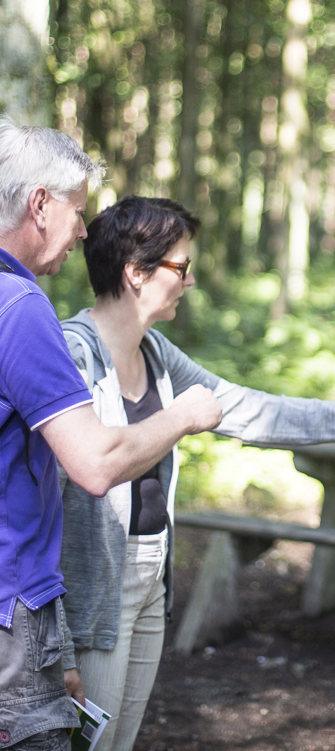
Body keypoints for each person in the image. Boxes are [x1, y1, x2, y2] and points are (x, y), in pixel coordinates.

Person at [58, 195, 335, 751]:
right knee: (83, 746)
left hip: (151, 580)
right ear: (136, 273)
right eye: (181, 267)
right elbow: (57, 487)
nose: (189, 281)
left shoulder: (159, 356)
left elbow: (259, 411)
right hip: (93, 590)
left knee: (117, 745)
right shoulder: (73, 355)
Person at [0, 120, 222, 751]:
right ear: (40, 204)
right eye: (78, 211)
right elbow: (93, 465)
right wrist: (182, 418)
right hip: (14, 613)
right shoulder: (21, 309)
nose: (84, 230)